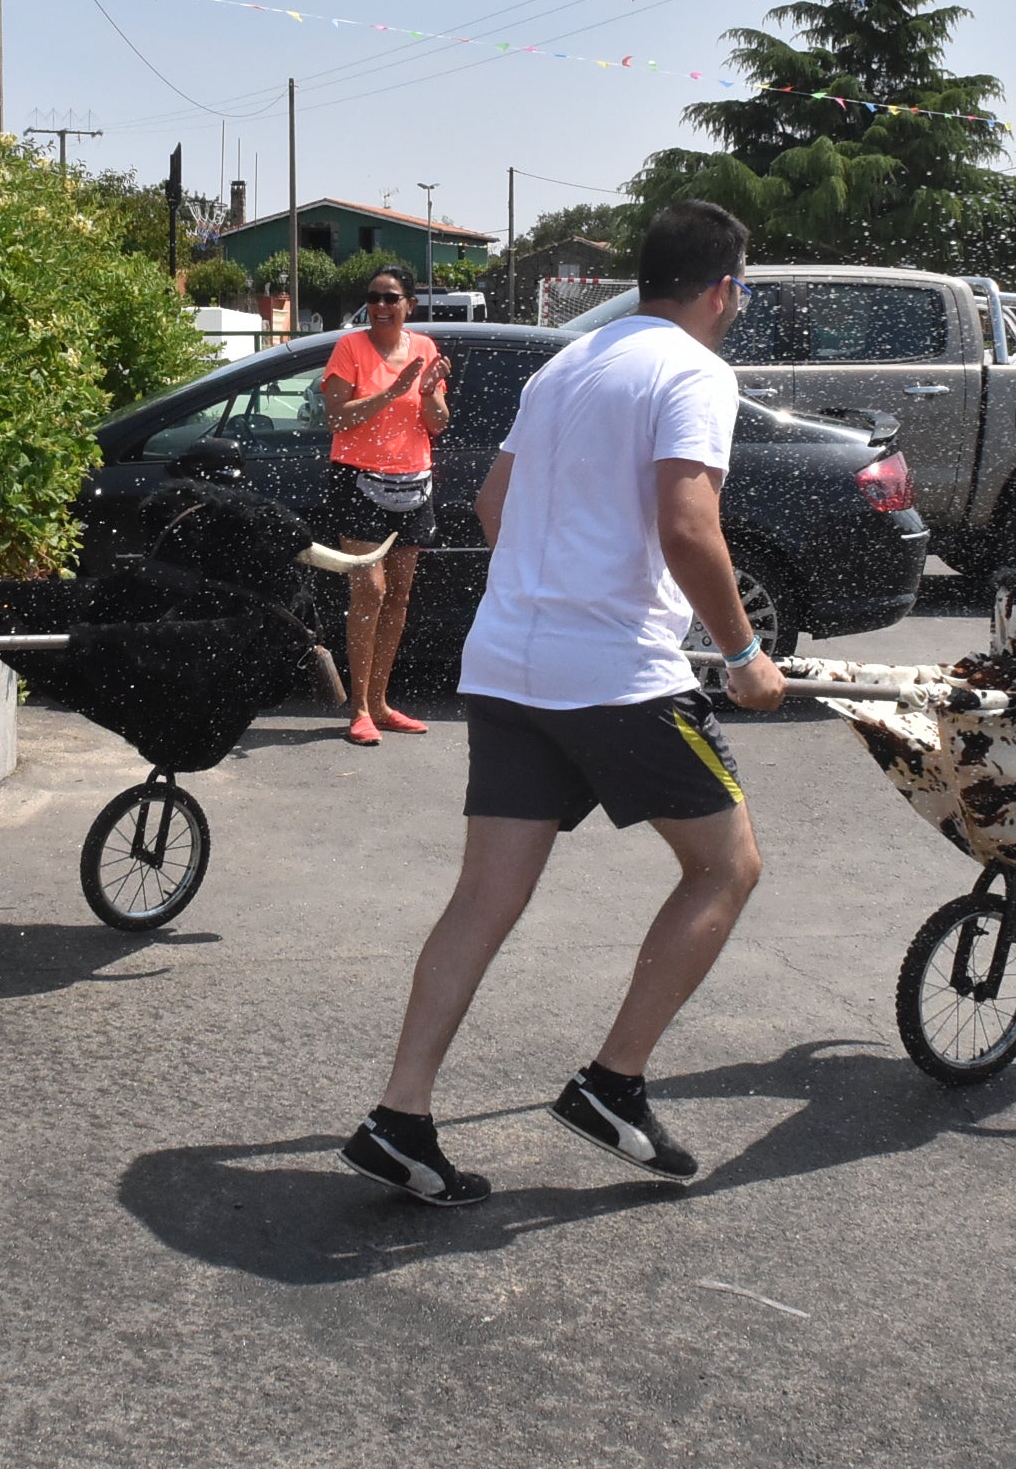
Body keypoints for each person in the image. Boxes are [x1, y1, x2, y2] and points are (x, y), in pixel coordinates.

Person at [340, 200, 788, 1206]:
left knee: (483, 896)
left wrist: (550, 591)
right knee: (725, 865)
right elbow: (687, 522)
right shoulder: (693, 371)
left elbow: (496, 506)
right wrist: (745, 653)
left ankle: (399, 1114)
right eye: (739, 294)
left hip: (506, 664)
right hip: (616, 675)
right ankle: (611, 1082)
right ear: (721, 289)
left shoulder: (565, 365)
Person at [320, 264, 449, 747]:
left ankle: (380, 703)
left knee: (398, 595)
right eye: (374, 297)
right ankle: (358, 709)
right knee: (369, 591)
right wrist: (392, 392)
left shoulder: (424, 349)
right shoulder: (349, 348)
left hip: (413, 482)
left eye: (391, 298)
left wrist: (430, 390)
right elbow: (336, 418)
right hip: (358, 481)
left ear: (409, 305)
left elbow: (436, 424)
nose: (380, 306)